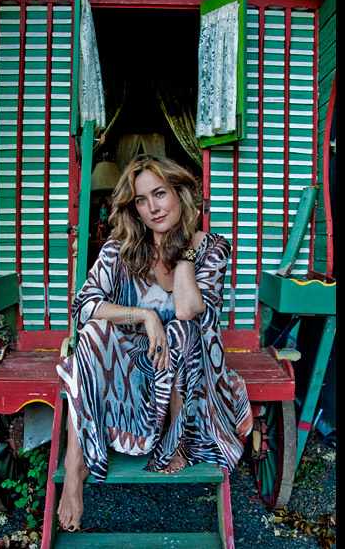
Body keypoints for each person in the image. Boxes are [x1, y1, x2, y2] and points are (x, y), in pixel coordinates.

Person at [56, 154, 253, 531]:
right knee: (93, 332)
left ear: (180, 194)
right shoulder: (122, 247)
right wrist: (144, 316)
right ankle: (75, 464)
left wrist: (187, 245)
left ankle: (175, 439)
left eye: (160, 194)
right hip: (136, 371)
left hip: (188, 373)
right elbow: (84, 305)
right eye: (141, 200)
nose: (153, 208)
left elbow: (188, 308)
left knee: (182, 329)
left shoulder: (212, 247)